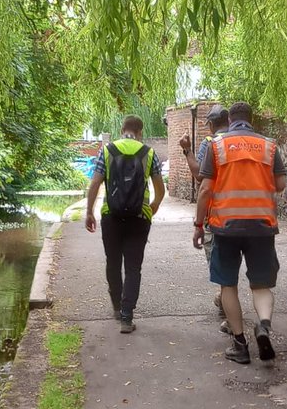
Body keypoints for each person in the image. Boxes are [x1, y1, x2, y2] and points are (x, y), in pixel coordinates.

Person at [192, 101, 287, 364]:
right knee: (261, 284)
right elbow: (280, 184)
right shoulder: (269, 145)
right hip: (262, 225)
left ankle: (240, 344)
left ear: (230, 120)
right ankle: (264, 326)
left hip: (226, 226)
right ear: (251, 118)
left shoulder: (217, 145)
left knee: (228, 284)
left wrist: (199, 225)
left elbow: (205, 190)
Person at [85, 115, 166, 334]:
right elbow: (160, 188)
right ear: (140, 131)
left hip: (111, 216)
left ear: (122, 130)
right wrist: (154, 206)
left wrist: (89, 212)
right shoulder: (149, 153)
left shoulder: (108, 150)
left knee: (113, 262)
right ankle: (127, 318)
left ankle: (117, 307)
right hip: (139, 218)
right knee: (133, 267)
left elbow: (95, 183)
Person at [178, 105, 229, 318]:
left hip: (216, 212)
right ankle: (226, 298)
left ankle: (226, 301)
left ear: (210, 124)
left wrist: (187, 150)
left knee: (218, 260)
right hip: (245, 210)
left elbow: (200, 175)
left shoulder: (211, 143)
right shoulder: (240, 142)